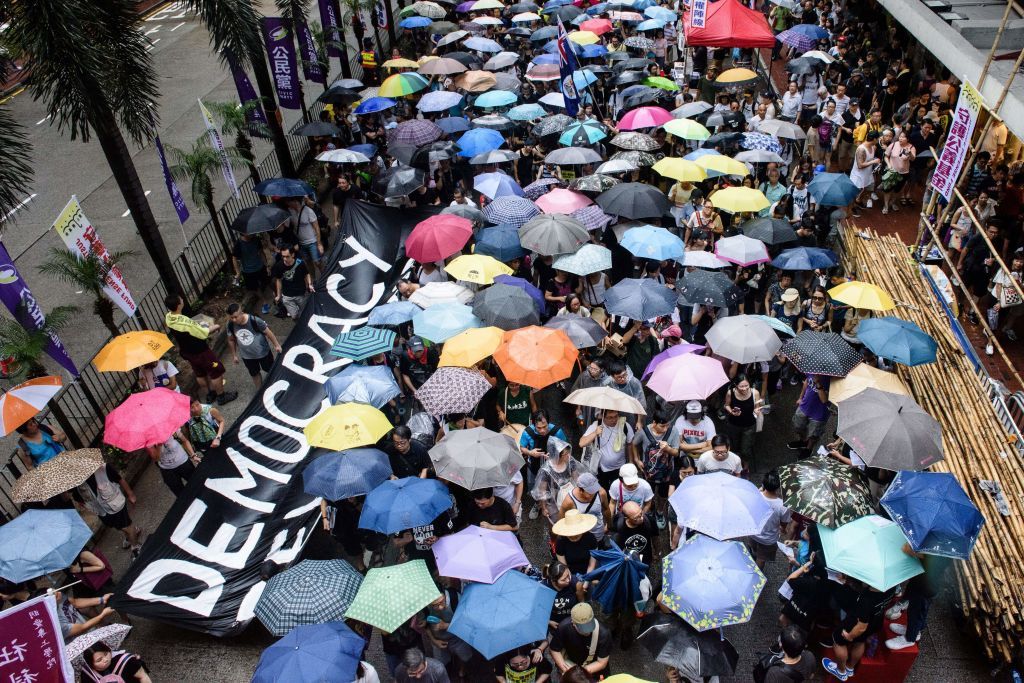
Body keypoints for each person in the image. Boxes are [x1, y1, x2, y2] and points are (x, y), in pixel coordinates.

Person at [164, 293, 237, 405]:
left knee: (200, 373)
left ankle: (209, 394)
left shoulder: (169, 318)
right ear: (179, 305)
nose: (182, 300)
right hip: (200, 351)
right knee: (216, 371)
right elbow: (203, 333)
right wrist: (215, 326)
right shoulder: (186, 323)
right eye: (181, 299)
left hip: (187, 352)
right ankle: (221, 396)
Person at [823, 581, 897, 681]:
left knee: (838, 642)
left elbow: (861, 627)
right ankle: (850, 667)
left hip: (857, 624)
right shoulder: (892, 586)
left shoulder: (866, 599)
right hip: (875, 621)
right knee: (860, 641)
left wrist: (850, 636)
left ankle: (840, 671)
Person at [72, 462, 143, 558]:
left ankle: (136, 546)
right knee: (119, 525)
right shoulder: (76, 483)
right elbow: (79, 499)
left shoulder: (103, 468)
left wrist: (130, 494)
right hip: (102, 511)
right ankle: (132, 533)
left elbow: (119, 479)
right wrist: (89, 507)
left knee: (126, 525)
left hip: (115, 502)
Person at [629, 410, 678, 528]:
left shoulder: (673, 431)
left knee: (662, 494)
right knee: (647, 492)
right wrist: (636, 459)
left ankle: (660, 512)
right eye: (662, 426)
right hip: (648, 472)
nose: (665, 429)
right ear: (654, 423)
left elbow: (676, 453)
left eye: (667, 425)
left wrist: (668, 449)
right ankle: (649, 510)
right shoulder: (644, 432)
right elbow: (634, 443)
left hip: (666, 473)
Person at [549, 603, 612, 678]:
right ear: (573, 623)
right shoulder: (564, 627)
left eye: (589, 625)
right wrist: (565, 668)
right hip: (572, 664)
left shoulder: (603, 633)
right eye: (583, 628)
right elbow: (554, 649)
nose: (587, 632)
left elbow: (602, 663)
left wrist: (580, 674)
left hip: (595, 670)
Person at [747, 471, 794, 569]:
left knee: (753, 549)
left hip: (753, 532)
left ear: (763, 484)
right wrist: (783, 529)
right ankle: (757, 576)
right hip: (768, 539)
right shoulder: (783, 506)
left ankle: (752, 556)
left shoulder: (755, 495)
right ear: (778, 487)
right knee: (761, 558)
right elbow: (784, 523)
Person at [226, 303, 281, 388]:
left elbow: (268, 332)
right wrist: (234, 355)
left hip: (263, 352)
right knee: (254, 374)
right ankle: (259, 391)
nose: (233, 320)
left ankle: (278, 385)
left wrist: (276, 345)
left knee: (270, 369)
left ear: (241, 313)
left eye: (235, 317)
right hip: (247, 356)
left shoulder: (255, 320)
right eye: (231, 317)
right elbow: (231, 340)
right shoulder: (230, 325)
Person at [580, 409, 635, 492]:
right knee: (603, 491)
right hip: (601, 470)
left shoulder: (625, 425)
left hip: (619, 468)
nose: (614, 420)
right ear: (603, 417)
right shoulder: (596, 425)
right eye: (610, 417)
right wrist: (595, 433)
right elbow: (581, 443)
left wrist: (631, 461)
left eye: (616, 416)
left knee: (619, 491)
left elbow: (630, 443)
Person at [532, 436, 583, 526]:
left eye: (569, 453)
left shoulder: (570, 462)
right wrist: (544, 508)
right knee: (556, 523)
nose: (569, 456)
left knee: (572, 520)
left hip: (569, 496)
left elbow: (576, 479)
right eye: (565, 454)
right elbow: (542, 491)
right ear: (557, 455)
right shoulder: (546, 470)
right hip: (553, 501)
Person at [519, 409, 568, 494]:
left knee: (553, 488)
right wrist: (531, 453)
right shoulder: (528, 432)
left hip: (554, 465)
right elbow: (522, 447)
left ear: (548, 423)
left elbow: (566, 448)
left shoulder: (557, 432)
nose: (542, 430)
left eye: (545, 426)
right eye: (539, 428)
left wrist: (556, 455)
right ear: (533, 424)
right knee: (534, 488)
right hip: (534, 465)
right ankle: (537, 503)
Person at [558, 472, 612, 543]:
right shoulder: (569, 501)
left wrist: (609, 526)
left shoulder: (601, 493)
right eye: (590, 492)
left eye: (595, 489)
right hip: (581, 538)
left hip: (598, 533)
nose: (593, 493)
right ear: (581, 490)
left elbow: (606, 510)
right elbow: (562, 521)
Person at [723, 374, 761, 472]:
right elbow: (726, 405)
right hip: (734, 424)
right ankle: (735, 463)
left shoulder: (755, 393)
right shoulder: (730, 393)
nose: (744, 388)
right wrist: (731, 412)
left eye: (746, 386)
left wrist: (757, 411)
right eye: (741, 386)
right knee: (734, 446)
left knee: (745, 448)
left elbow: (757, 407)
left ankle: (746, 466)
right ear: (736, 385)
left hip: (749, 425)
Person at [146, 428, 198, 496]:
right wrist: (159, 445)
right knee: (181, 495)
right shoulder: (148, 438)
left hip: (183, 462)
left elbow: (185, 441)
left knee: (197, 485)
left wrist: (193, 455)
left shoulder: (171, 427)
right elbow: (156, 458)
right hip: (167, 470)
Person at [788, 374, 830, 455]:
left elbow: (824, 400)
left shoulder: (833, 380)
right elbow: (807, 382)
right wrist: (800, 398)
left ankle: (808, 449)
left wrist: (817, 382)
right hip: (805, 405)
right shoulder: (813, 368)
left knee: (814, 435)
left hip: (819, 413)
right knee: (798, 426)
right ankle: (803, 441)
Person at [552, 510, 599, 582]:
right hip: (570, 574)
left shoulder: (591, 539)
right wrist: (572, 581)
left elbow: (591, 565)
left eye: (576, 533)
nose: (573, 536)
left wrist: (586, 582)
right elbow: (565, 567)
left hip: (588, 571)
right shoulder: (560, 541)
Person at [271, 245, 314, 320]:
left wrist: (309, 284)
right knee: (294, 316)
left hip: (300, 294)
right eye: (283, 256)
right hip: (287, 296)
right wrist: (278, 295)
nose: (285, 259)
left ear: (293, 255)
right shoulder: (279, 266)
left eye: (287, 256)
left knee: (306, 313)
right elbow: (278, 280)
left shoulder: (300, 263)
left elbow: (307, 274)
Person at [81, 643, 151, 683]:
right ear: (90, 664)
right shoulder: (87, 675)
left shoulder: (126, 661)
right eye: (99, 660)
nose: (105, 659)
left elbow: (143, 676)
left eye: (106, 654)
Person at [543, 561, 581, 629]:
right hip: (555, 624)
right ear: (554, 581)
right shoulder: (544, 588)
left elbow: (581, 604)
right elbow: (538, 609)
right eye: (563, 580)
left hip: (573, 621)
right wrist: (549, 622)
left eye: (568, 575)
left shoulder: (575, 583)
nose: (568, 580)